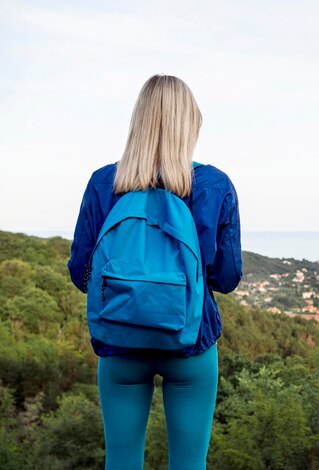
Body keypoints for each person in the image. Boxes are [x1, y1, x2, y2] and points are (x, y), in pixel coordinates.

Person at [67, 74, 243, 469]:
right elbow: (227, 278)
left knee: (122, 461)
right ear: (189, 124)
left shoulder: (102, 183)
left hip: (119, 340)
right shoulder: (214, 185)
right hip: (190, 342)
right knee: (189, 463)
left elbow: (81, 272)